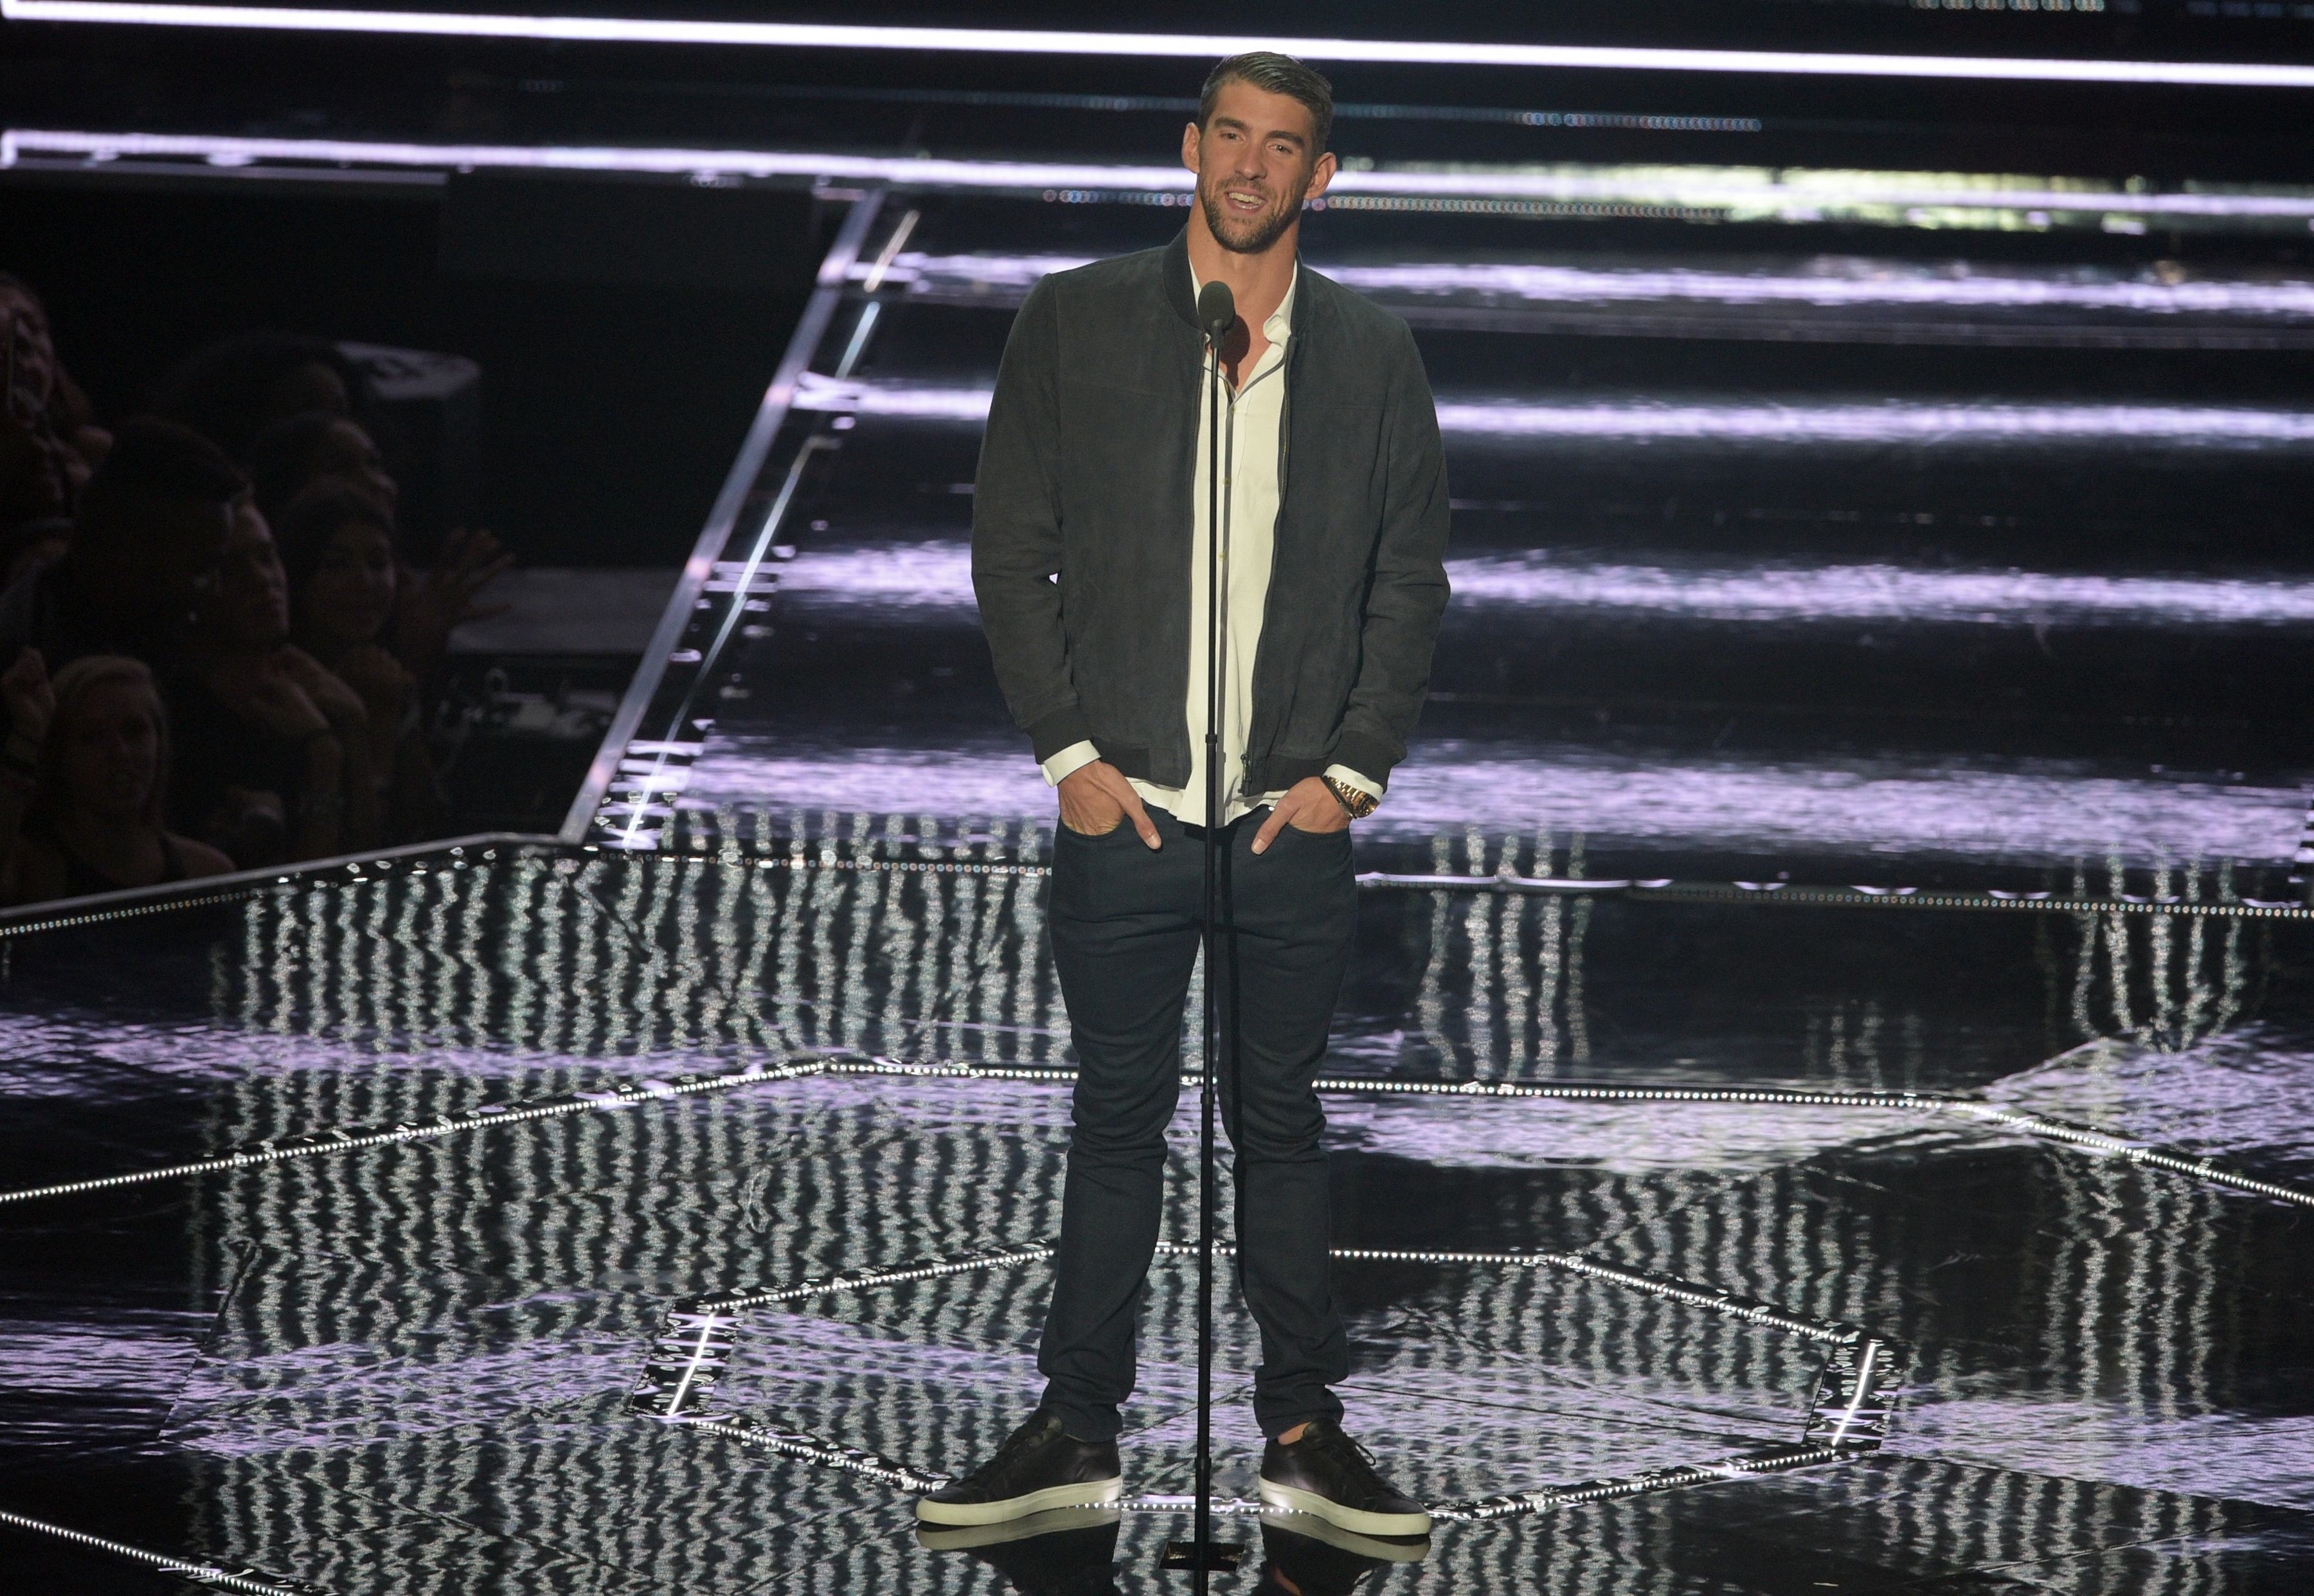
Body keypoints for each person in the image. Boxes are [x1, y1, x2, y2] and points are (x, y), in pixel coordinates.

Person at [938, 53, 1449, 1540]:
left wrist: (1348, 771)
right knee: (1117, 1117)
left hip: (1288, 819)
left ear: (1319, 177)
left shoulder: (1372, 355)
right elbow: (1009, 547)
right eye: (1230, 133)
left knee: (1279, 1122)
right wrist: (1070, 757)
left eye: (1281, 145)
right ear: (1190, 147)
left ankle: (1302, 1427)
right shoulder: (1075, 319)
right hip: (1131, 810)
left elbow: (1408, 579)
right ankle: (1073, 1423)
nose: (1249, 164)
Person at [0, 417, 242, 743]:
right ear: (126, 550)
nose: (214, 590)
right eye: (200, 570)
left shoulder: (181, 658)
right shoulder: (18, 671)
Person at [172, 494, 376, 866]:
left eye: (267, 558)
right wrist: (324, 753)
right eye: (231, 569)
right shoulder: (181, 724)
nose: (263, 580)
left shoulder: (317, 687)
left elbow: (375, 858)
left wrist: (355, 725)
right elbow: (304, 889)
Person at [273, 483, 445, 841]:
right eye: (336, 565)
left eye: (379, 563)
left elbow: (428, 829)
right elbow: (364, 848)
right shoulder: (285, 685)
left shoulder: (386, 672)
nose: (364, 582)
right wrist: (376, 728)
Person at [0, 651, 233, 904]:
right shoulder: (30, 873)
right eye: (93, 736)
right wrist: (28, 734)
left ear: (160, 742)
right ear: (60, 753)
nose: (120, 752)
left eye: (135, 731)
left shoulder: (207, 875)